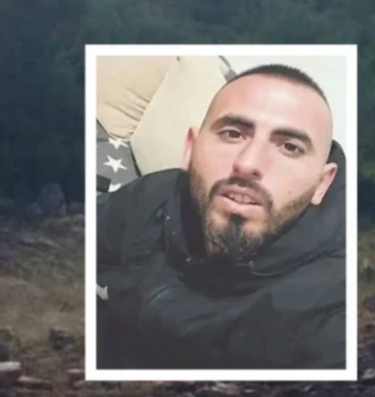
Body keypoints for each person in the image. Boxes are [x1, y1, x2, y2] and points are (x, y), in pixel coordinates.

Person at [95, 64, 347, 370]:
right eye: (233, 134)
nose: (248, 164)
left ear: (322, 184)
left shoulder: (334, 308)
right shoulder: (153, 196)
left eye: (290, 147)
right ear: (190, 150)